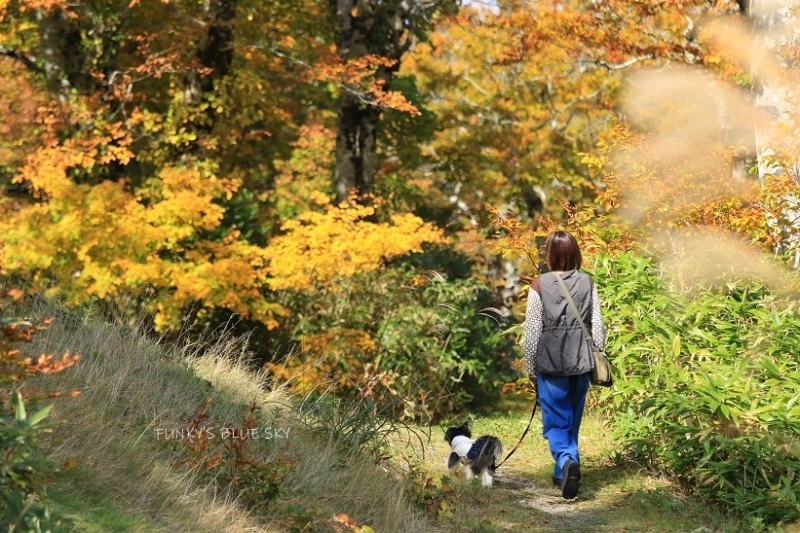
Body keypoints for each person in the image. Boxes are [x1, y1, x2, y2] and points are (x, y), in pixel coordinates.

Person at [523, 230, 606, 500]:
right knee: (572, 418)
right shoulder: (588, 283)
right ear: (575, 253)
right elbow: (598, 325)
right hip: (581, 360)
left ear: (550, 254)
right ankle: (565, 473)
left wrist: (530, 367)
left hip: (550, 362)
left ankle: (567, 460)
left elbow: (533, 330)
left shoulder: (538, 285)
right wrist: (598, 355)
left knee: (556, 422)